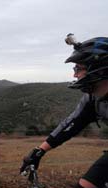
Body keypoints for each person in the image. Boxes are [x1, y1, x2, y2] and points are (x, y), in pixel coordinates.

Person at [20, 34, 108, 188]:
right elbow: (72, 123)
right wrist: (40, 151)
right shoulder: (93, 99)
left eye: (78, 68)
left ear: (100, 70)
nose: (75, 75)